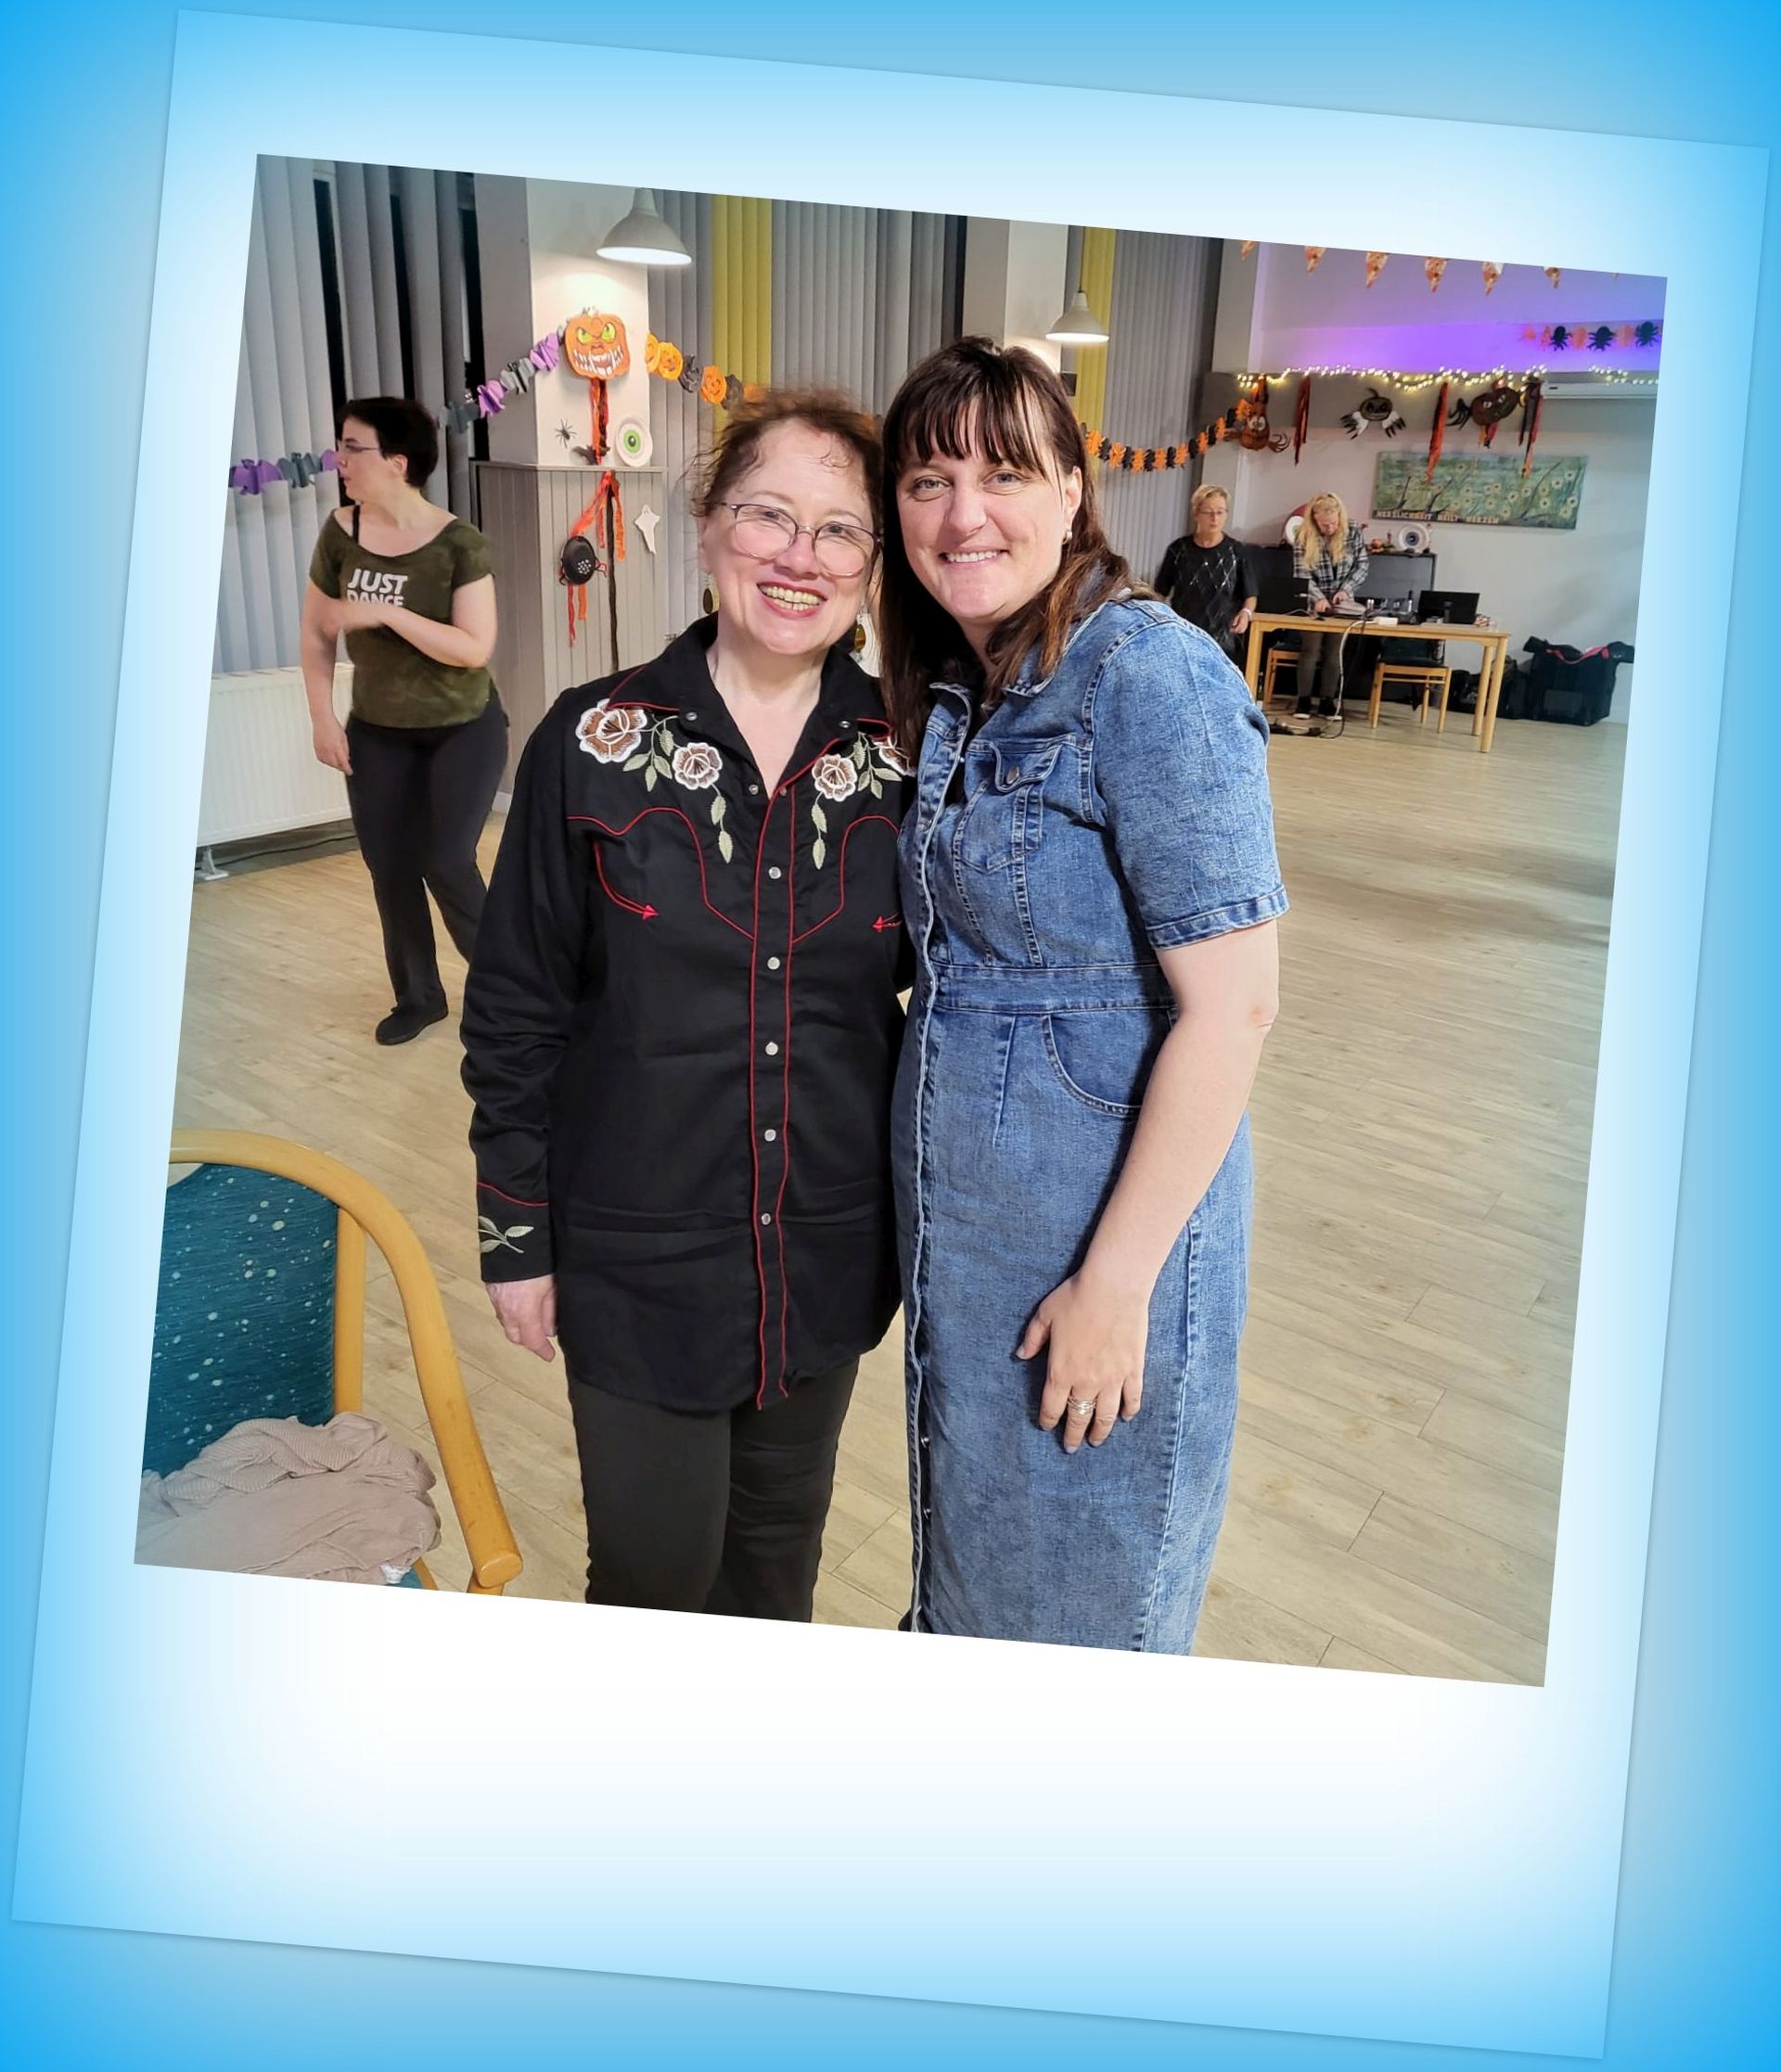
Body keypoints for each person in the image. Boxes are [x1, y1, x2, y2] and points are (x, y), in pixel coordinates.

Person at [460, 390, 914, 1620]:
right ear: (709, 525)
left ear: (873, 564)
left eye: (839, 530)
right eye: (768, 515)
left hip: (823, 1249)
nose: (800, 556)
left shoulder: (912, 752)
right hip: (635, 1257)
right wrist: (516, 1233)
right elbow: (514, 1010)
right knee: (654, 1579)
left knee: (774, 1574)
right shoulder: (592, 741)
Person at [878, 338, 1286, 1653]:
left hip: (1096, 1241)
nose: (964, 513)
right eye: (929, 481)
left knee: (1082, 1616)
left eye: (1004, 473)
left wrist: (1116, 1285)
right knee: (983, 1578)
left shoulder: (1148, 672)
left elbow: (1235, 1008)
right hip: (975, 1238)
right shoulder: (969, 683)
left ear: (1071, 491)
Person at [301, 397, 504, 1045]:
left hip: (462, 726)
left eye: (353, 447)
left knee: (446, 860)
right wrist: (322, 718)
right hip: (377, 729)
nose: (340, 459)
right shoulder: (340, 532)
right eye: (340, 445)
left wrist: (385, 612)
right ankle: (419, 998)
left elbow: (473, 648)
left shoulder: (458, 544)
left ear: (397, 461)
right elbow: (316, 634)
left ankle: (513, 994)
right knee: (389, 866)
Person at [1155, 482, 1258, 661]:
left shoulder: (1237, 551)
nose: (1214, 518)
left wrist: (1246, 614)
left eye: (1220, 512)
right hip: (1183, 636)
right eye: (1208, 512)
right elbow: (1160, 592)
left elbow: (1250, 594)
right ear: (1196, 513)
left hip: (1223, 641)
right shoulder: (1178, 549)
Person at [1288, 491, 1368, 716]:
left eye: (1333, 523)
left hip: (1343, 604)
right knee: (1310, 650)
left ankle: (1327, 701)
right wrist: (1318, 598)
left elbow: (1362, 565)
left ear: (1339, 517)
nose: (1330, 528)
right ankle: (1303, 701)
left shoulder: (1353, 531)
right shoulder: (1303, 535)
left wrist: (1346, 590)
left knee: (1334, 653)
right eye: (1324, 525)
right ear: (1314, 519)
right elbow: (1301, 573)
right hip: (1313, 604)